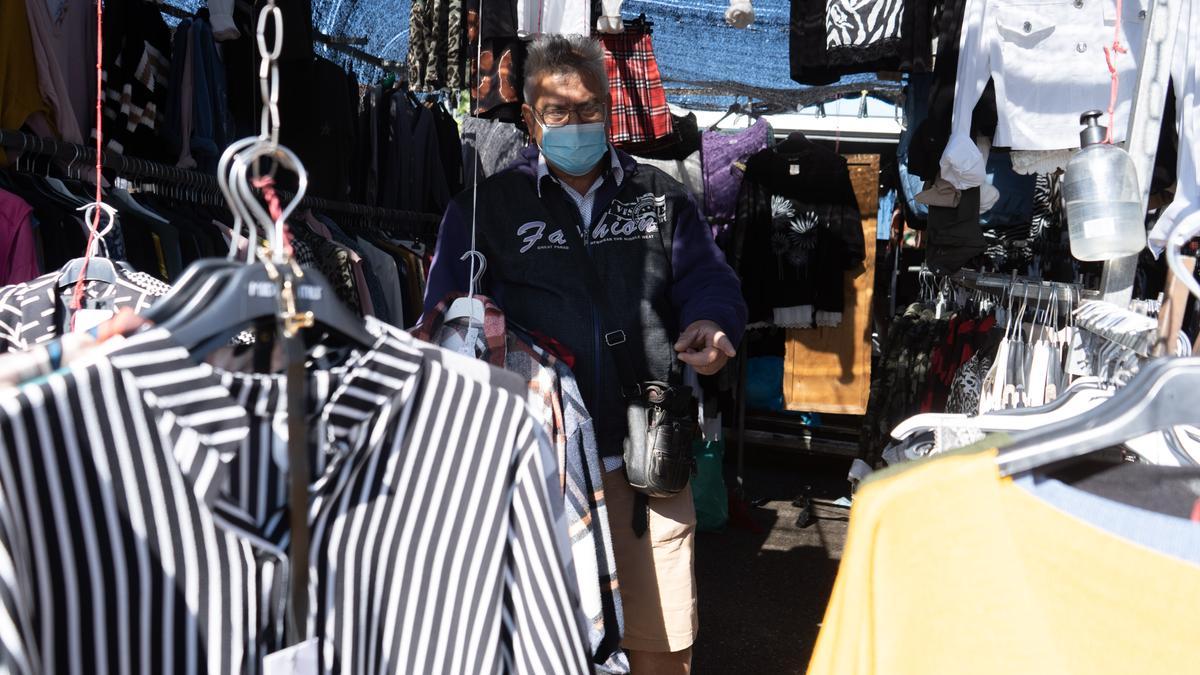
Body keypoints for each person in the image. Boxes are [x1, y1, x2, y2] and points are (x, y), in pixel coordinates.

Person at [422, 33, 747, 674]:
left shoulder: (662, 198)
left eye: (589, 108)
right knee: (543, 649)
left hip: (644, 464)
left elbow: (710, 280)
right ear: (529, 118)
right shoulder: (482, 209)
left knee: (661, 646)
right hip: (535, 471)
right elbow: (446, 317)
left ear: (608, 108)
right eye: (558, 111)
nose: (576, 123)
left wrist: (711, 324)